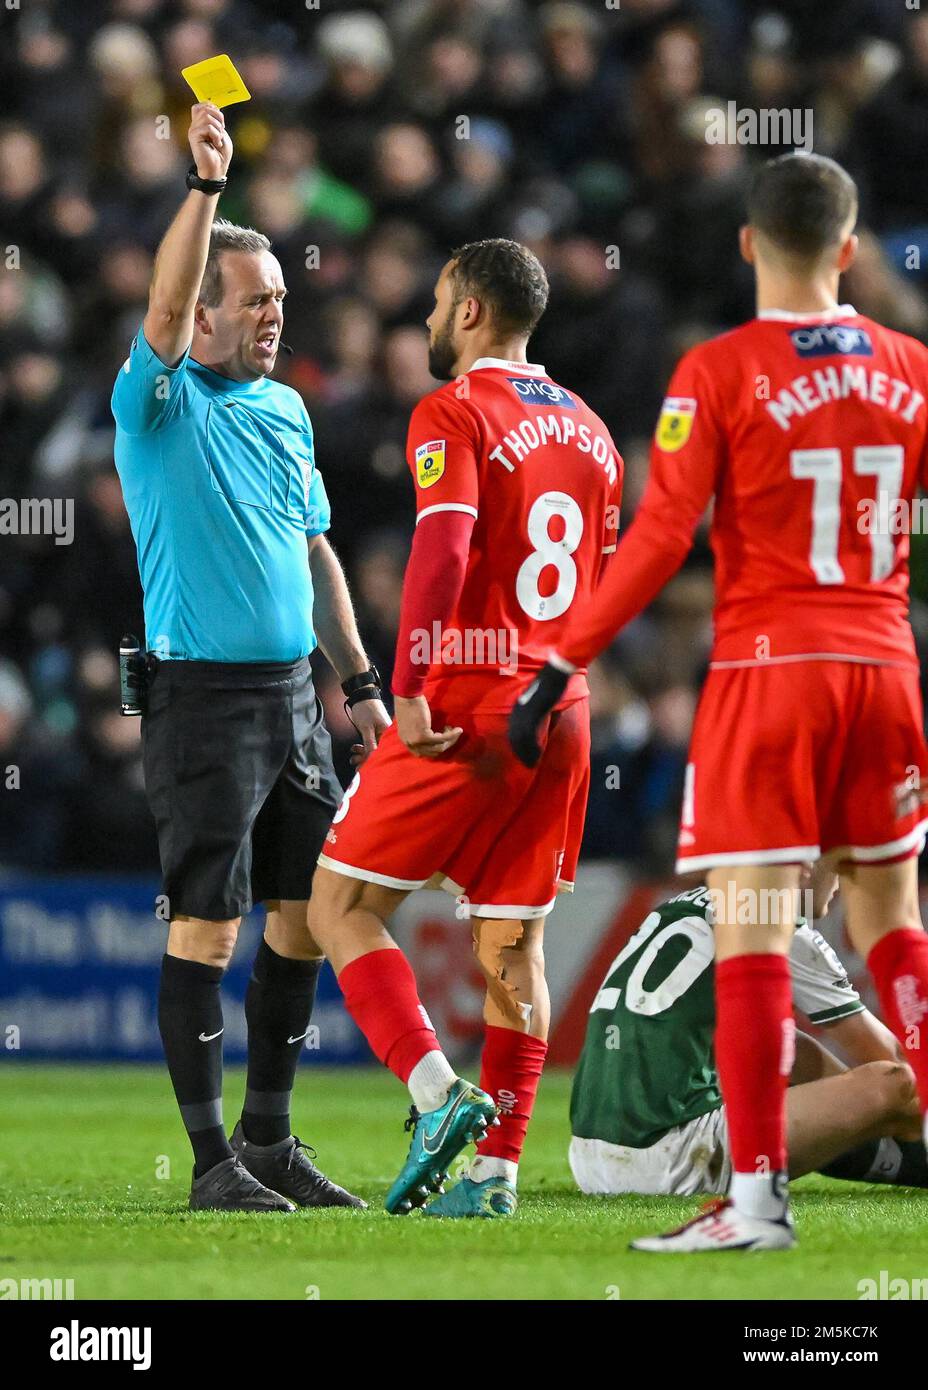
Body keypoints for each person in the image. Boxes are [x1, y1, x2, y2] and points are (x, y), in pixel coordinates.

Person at [510, 151, 928, 1251]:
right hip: (884, 669)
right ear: (847, 251)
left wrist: (562, 661)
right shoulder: (911, 370)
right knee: (891, 923)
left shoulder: (720, 369)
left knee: (751, 926)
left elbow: (657, 542)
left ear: (749, 244)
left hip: (765, 672)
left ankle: (752, 1206)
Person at [306, 238, 623, 1216]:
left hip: (467, 699)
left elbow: (440, 551)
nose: (430, 322)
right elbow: (606, 580)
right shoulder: (595, 432)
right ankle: (495, 1177)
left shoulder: (452, 411)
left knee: (337, 907)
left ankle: (437, 1095)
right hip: (561, 707)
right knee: (513, 943)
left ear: (473, 312)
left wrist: (405, 684)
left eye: (440, 304)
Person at [112, 103, 389, 1213]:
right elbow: (168, 302)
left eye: (282, 299)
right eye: (256, 302)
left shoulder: (284, 409)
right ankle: (209, 1161)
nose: (275, 317)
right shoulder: (157, 401)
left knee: (298, 918)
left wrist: (358, 681)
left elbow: (315, 549)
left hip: (292, 698)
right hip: (203, 700)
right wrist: (207, 189)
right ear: (207, 316)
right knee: (209, 923)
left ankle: (268, 1139)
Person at [570, 868, 928, 1198]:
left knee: (784, 1041)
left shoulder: (684, 904)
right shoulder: (773, 916)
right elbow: (890, 1057)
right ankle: (912, 1161)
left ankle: (901, 1149)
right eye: (835, 865)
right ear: (804, 863)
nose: (839, 883)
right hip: (674, 1153)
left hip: (589, 1159)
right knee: (894, 1083)